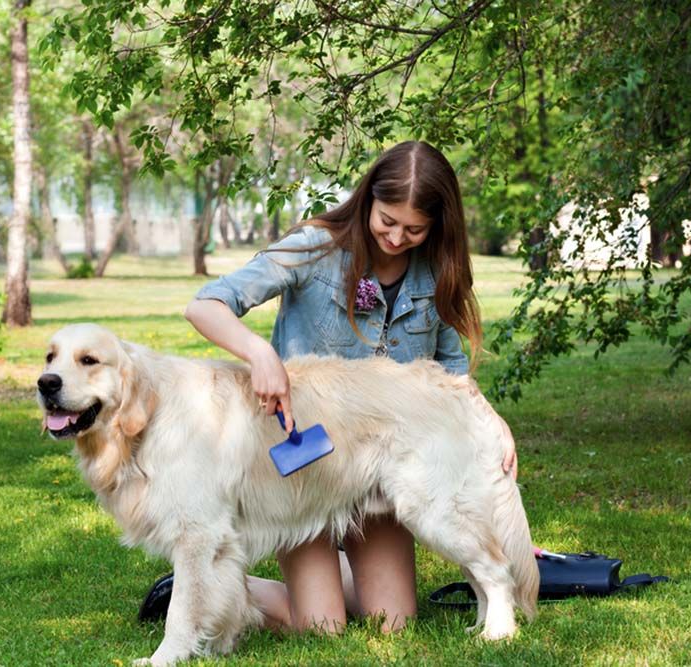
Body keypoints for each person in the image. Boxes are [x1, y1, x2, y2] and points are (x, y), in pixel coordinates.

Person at [138, 140, 518, 634]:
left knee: (393, 621)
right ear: (367, 200)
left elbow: (451, 375)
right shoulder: (313, 248)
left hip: (380, 459)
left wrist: (492, 422)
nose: (398, 237)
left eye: (415, 229)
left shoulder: (435, 272)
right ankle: (205, 585)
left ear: (436, 227)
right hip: (303, 466)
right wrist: (261, 355)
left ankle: (323, 580)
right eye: (387, 221)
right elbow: (205, 304)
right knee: (322, 627)